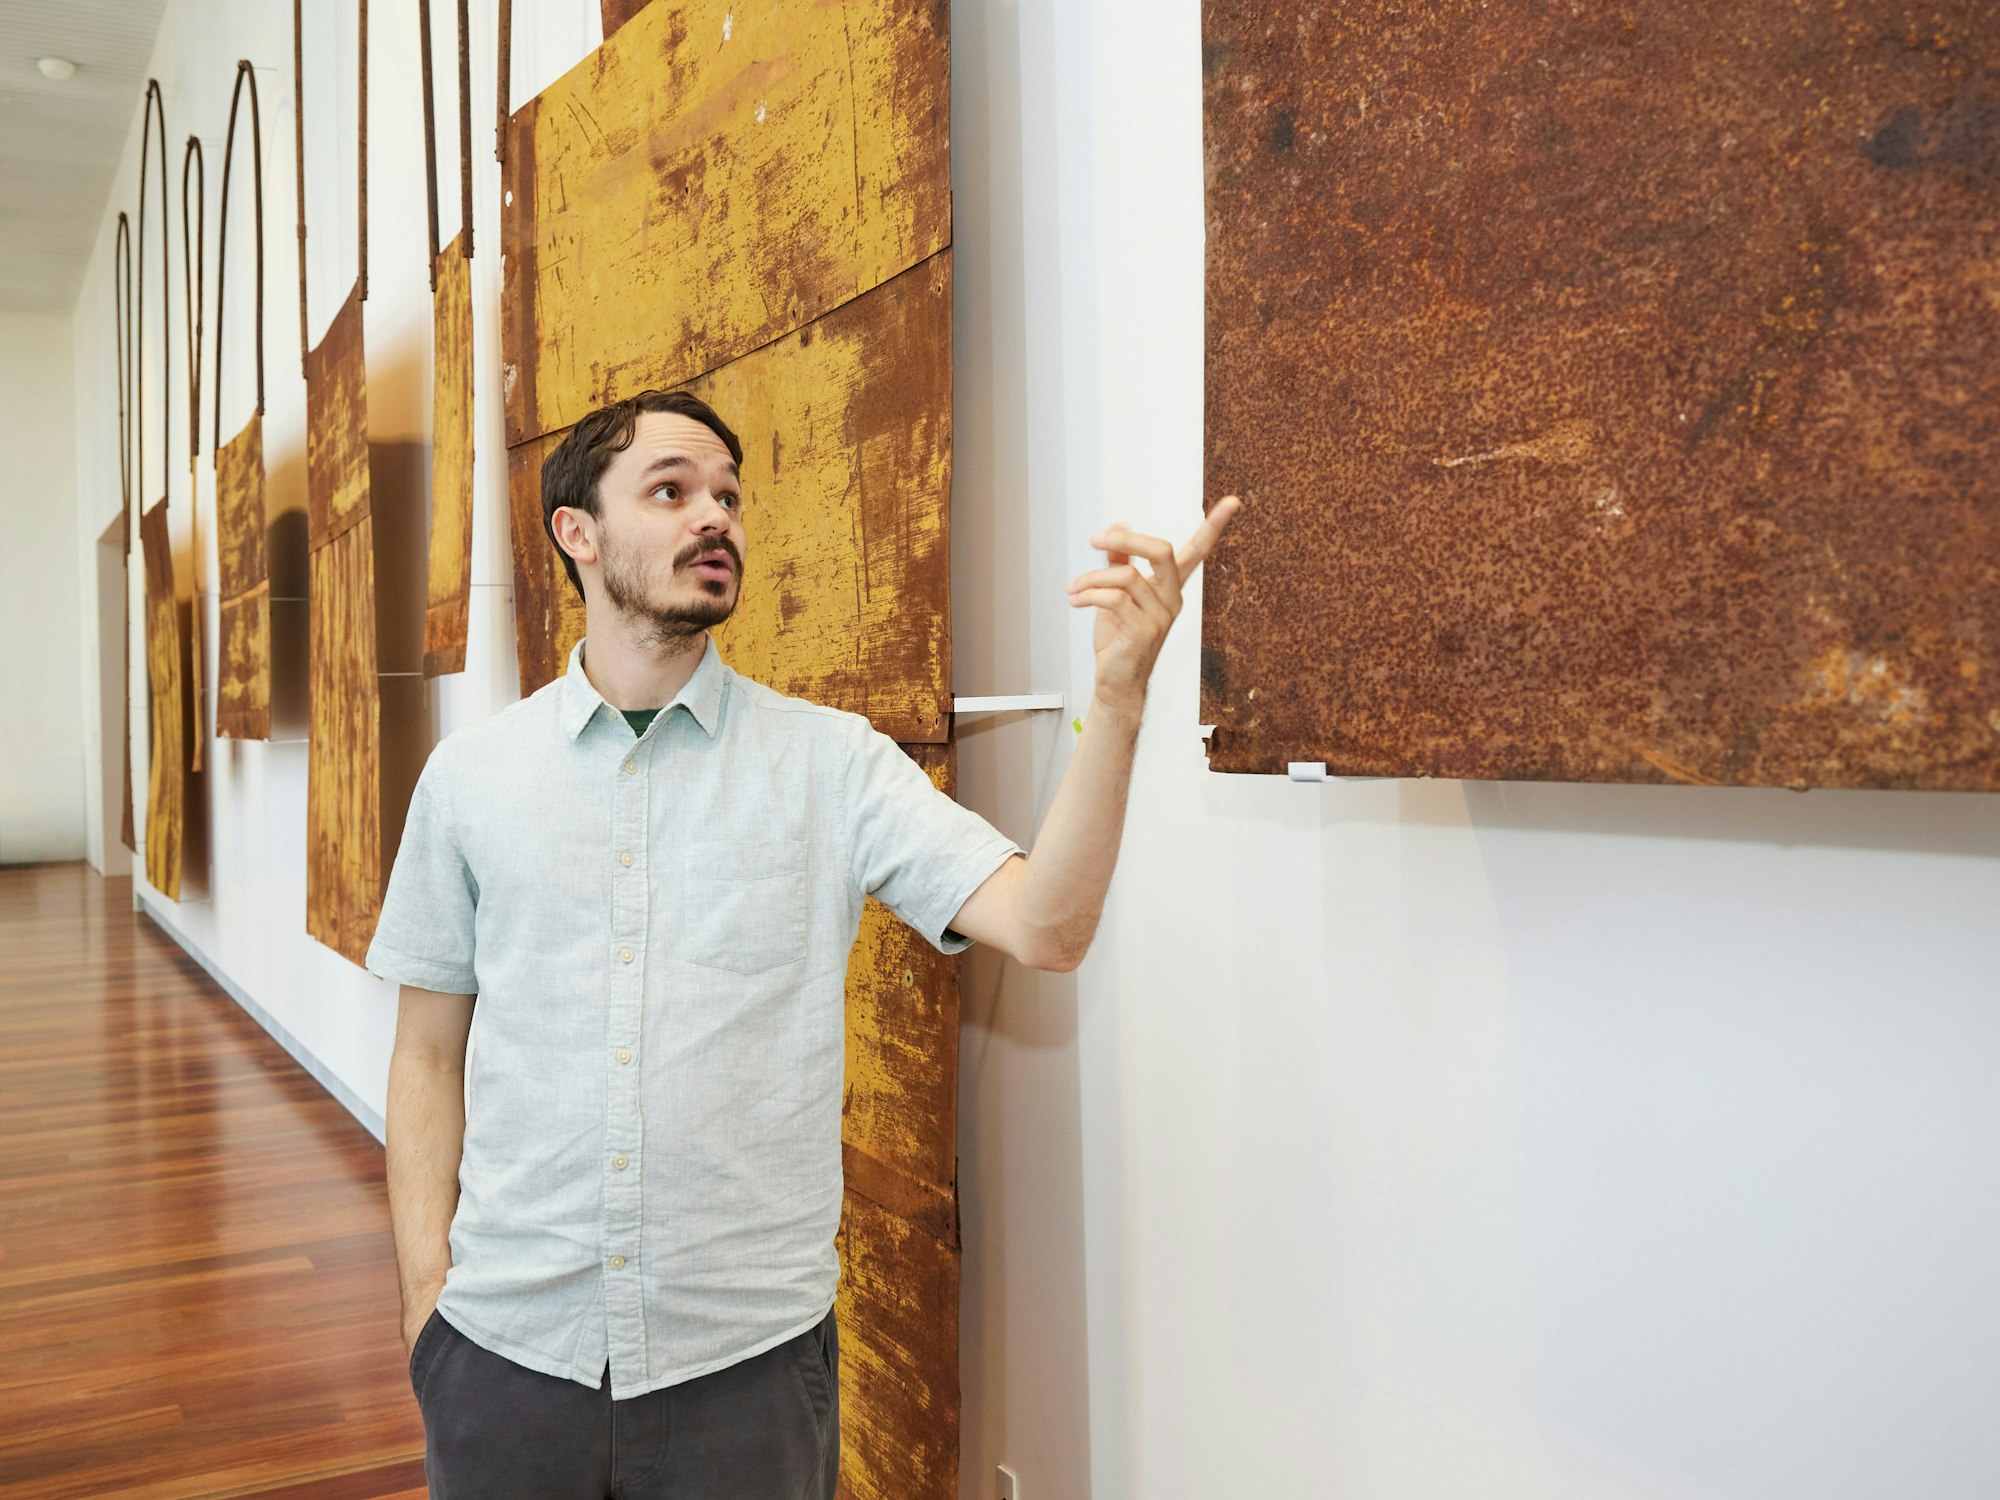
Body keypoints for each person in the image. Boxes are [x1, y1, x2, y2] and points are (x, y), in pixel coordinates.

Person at [367, 388, 1239, 1498]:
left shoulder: (833, 764)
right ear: (574, 534)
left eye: (727, 496)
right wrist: (424, 1301)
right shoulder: (471, 778)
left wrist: (1115, 699)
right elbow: (426, 1054)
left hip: (744, 1371)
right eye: (671, 491)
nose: (713, 518)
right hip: (504, 1354)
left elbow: (1047, 926)